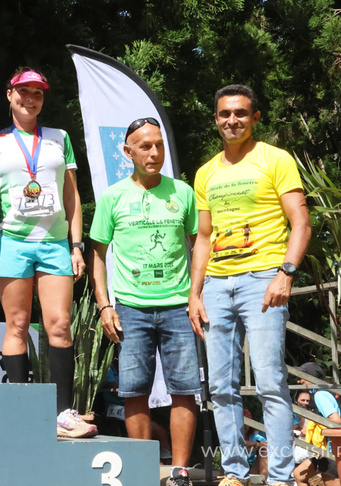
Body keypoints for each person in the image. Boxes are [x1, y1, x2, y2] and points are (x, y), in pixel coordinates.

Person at [188, 84, 312, 486]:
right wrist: (195, 293)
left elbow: (301, 222)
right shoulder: (205, 172)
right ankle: (235, 473)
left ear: (255, 118)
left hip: (264, 280)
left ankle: (280, 478)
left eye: (240, 113)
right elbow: (203, 238)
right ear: (216, 119)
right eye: (224, 114)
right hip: (217, 286)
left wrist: (285, 273)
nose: (232, 121)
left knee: (270, 382)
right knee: (221, 387)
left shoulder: (275, 159)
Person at [90, 117, 200, 486]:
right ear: (128, 152)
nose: (154, 153)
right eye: (145, 146)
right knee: (134, 389)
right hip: (130, 309)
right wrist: (105, 304)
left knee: (184, 389)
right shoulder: (112, 197)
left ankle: (180, 471)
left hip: (178, 306)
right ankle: (141, 470)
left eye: (159, 145)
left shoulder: (183, 192)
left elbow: (200, 242)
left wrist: (196, 294)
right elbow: (99, 255)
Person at [0, 67, 93, 437]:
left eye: (38, 93)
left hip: (54, 243)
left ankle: (64, 413)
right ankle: (20, 410)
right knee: (16, 324)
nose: (30, 99)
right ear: (9, 95)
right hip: (11, 240)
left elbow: (71, 195)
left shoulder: (59, 138)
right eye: (23, 92)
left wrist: (76, 245)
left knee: (59, 325)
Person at [292, 362, 341, 486]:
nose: (299, 381)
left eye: (301, 377)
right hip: (324, 449)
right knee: (299, 475)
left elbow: (336, 421)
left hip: (330, 449)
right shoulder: (322, 393)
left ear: (310, 377)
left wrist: (312, 430)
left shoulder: (320, 395)